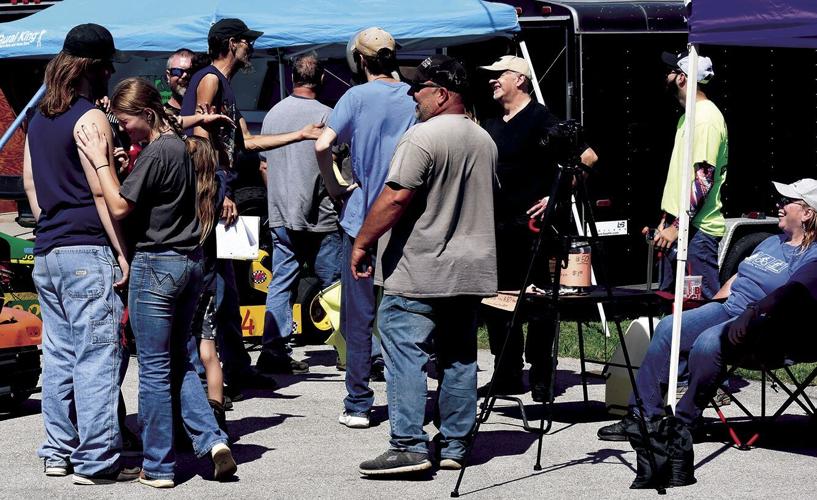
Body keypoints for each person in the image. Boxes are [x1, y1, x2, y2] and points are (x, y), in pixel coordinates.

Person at [598, 179, 817, 489]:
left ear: (807, 213)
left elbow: (791, 294)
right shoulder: (772, 242)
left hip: (767, 328)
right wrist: (708, 311)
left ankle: (683, 423)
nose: (778, 204)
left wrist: (751, 313)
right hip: (730, 309)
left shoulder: (814, 256)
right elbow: (740, 275)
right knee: (670, 326)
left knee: (707, 342)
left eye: (787, 201)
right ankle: (644, 417)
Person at [75, 77, 237, 488]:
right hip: (190, 264)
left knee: (153, 370)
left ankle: (160, 466)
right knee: (180, 362)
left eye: (126, 121)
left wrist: (99, 161)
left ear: (146, 114)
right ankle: (213, 441)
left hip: (157, 265)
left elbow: (118, 205)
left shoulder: (158, 150)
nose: (122, 128)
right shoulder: (182, 146)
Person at [354, 55, 498, 475]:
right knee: (459, 358)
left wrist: (362, 242)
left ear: (442, 93)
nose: (413, 94)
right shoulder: (483, 140)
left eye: (420, 87)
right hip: (470, 270)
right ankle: (455, 444)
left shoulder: (421, 137)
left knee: (406, 356)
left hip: (420, 269)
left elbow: (396, 197)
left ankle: (408, 445)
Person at [22, 23, 140, 486]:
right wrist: (122, 251)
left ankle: (57, 450)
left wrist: (51, 219)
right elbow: (99, 193)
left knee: (58, 355)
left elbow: (31, 186)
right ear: (95, 68)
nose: (112, 72)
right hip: (86, 247)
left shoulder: (38, 118)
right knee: (96, 356)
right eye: (109, 65)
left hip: (48, 247)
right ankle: (98, 460)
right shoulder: (89, 118)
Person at [181, 18, 323, 391]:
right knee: (209, 288)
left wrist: (301, 135)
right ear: (232, 43)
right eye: (247, 42)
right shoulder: (210, 79)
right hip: (209, 199)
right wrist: (220, 192)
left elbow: (248, 142)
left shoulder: (226, 86)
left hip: (220, 197)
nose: (252, 49)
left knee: (227, 287)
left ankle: (238, 366)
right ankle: (201, 379)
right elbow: (199, 141)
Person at [478, 55, 598, 402]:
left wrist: (555, 195)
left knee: (541, 302)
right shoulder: (491, 123)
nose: (492, 81)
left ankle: (542, 376)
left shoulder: (542, 119)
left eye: (498, 75)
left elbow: (588, 157)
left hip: (536, 229)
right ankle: (506, 373)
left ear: (520, 79)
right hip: (498, 226)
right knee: (499, 301)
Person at [315, 27, 417, 429]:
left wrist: (336, 186)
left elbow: (323, 145)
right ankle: (406, 395)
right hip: (405, 218)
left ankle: (358, 402)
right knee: (407, 311)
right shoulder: (413, 96)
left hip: (360, 218)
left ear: (360, 60)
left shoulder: (355, 96)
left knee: (359, 314)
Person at [257, 53, 341, 373]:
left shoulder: (273, 115)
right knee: (334, 284)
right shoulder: (329, 116)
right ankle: (358, 352)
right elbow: (338, 166)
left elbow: (264, 164)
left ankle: (273, 350)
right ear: (320, 79)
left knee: (282, 281)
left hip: (280, 211)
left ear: (292, 77)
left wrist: (278, 192)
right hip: (321, 214)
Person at [650, 51, 728, 300]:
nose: (667, 75)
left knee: (701, 309)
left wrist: (678, 227)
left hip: (695, 233)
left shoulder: (705, 119)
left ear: (682, 78)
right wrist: (667, 220)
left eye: (671, 71)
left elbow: (704, 180)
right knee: (671, 306)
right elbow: (681, 179)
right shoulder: (687, 117)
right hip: (680, 228)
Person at [164, 48, 194, 117]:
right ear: (168, 76)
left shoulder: (205, 113)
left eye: (191, 71)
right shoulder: (159, 116)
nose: (185, 76)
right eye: (177, 71)